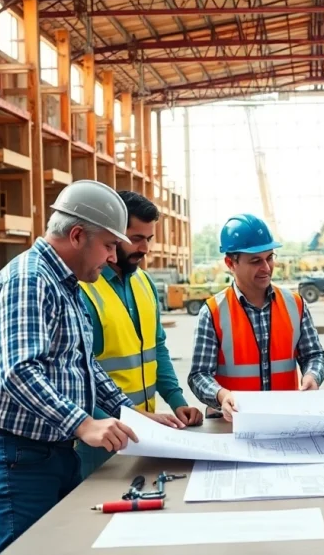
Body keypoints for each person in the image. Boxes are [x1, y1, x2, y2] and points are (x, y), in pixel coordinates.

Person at [0, 180, 183, 554]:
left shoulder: (65, 284)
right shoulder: (29, 281)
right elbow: (18, 372)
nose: (113, 257)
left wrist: (133, 414)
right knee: (30, 547)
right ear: (77, 235)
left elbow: (83, 365)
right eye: (108, 246)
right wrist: (84, 424)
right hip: (19, 454)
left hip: (54, 448)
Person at [76, 191, 204, 479]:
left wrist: (177, 401)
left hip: (143, 431)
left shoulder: (145, 283)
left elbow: (157, 349)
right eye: (136, 238)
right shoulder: (83, 291)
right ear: (112, 234)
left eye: (149, 239)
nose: (145, 248)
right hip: (98, 440)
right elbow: (79, 378)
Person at [188, 213, 324, 421]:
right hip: (231, 424)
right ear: (230, 263)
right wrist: (222, 396)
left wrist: (312, 376)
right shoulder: (213, 312)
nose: (266, 268)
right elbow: (199, 375)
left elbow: (314, 355)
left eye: (270, 257)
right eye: (255, 261)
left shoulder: (295, 305)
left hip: (284, 419)